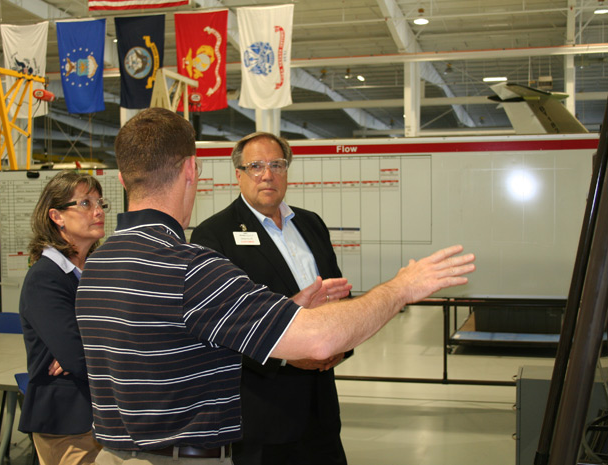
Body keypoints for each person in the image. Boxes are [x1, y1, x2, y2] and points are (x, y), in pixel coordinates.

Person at [75, 107, 475, 465]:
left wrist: (282, 312)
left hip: (116, 453)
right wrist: (402, 288)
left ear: (124, 178)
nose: (267, 175)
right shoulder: (189, 266)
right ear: (191, 170)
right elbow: (317, 340)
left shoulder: (97, 264)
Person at [190, 132, 350, 465]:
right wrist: (287, 354)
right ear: (238, 174)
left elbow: (338, 294)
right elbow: (222, 324)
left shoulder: (311, 224)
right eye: (256, 166)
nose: (268, 174)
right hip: (263, 413)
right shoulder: (214, 235)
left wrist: (340, 344)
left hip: (321, 409)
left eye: (277, 164)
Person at [19, 170, 108, 465]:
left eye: (99, 202)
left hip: (100, 418)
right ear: (56, 216)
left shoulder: (93, 272)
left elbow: (109, 336)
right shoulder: (45, 277)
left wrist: (86, 348)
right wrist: (79, 352)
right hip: (67, 424)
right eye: (84, 203)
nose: (97, 211)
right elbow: (76, 355)